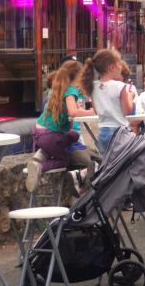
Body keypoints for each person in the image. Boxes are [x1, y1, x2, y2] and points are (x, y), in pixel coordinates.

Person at [27, 60, 94, 192]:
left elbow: (69, 125)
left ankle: (44, 152)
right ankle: (39, 167)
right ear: (79, 76)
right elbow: (73, 112)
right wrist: (92, 111)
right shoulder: (71, 91)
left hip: (39, 132)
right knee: (64, 161)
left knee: (74, 135)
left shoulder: (58, 89)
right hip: (50, 136)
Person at [78, 49, 134, 157]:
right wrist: (130, 97)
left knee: (106, 165)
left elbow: (96, 110)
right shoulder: (120, 86)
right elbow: (127, 111)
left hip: (102, 131)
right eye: (119, 63)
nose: (121, 66)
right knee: (121, 164)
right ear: (112, 67)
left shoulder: (93, 86)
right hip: (119, 131)